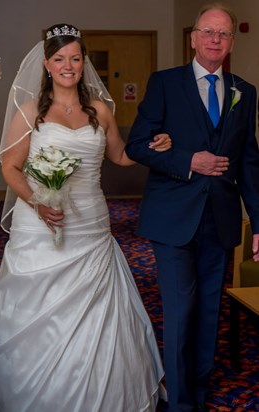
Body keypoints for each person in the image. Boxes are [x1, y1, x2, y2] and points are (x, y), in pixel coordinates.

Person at [0, 23, 172, 412]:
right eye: (59, 59)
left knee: (97, 314)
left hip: (90, 224)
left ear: (83, 61)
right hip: (41, 223)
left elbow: (120, 156)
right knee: (39, 309)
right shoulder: (30, 112)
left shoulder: (100, 110)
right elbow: (10, 168)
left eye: (75, 58)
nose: (68, 66)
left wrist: (155, 147)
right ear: (46, 64)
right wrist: (38, 204)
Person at [126, 3, 259, 412]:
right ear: (193, 37)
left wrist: (258, 223)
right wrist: (187, 160)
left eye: (223, 33)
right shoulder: (165, 83)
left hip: (220, 219)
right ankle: (181, 403)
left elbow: (249, 161)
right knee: (181, 312)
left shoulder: (244, 90)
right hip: (172, 219)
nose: (215, 39)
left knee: (208, 312)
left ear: (232, 41)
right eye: (208, 32)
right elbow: (137, 145)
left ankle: (199, 394)